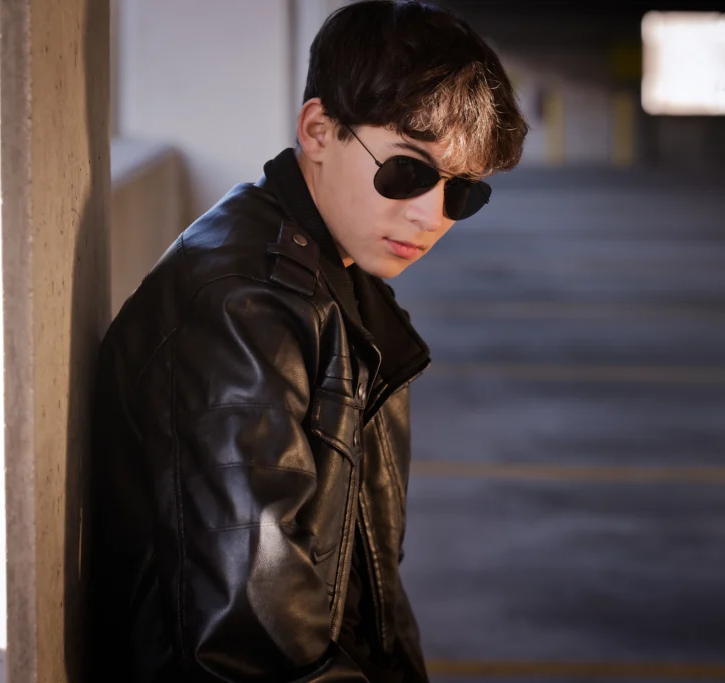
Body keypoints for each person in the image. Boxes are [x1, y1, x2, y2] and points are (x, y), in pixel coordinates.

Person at [84, 1, 527, 681]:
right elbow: (252, 638)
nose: (431, 214)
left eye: (460, 192)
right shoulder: (243, 309)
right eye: (406, 171)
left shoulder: (331, 277)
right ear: (319, 130)